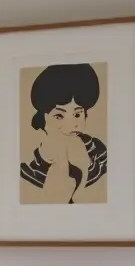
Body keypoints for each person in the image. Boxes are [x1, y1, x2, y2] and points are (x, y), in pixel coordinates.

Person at [20, 63, 107, 203]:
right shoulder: (32, 171)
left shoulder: (99, 151)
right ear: (44, 118)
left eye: (77, 115)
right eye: (59, 116)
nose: (72, 124)